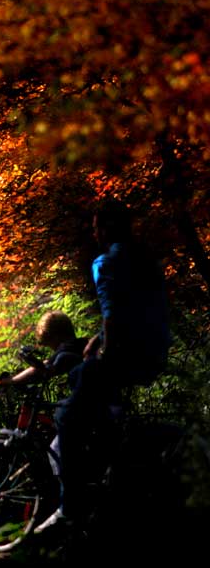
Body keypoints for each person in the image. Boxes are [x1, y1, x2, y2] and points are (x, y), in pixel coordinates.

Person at [39, 199, 171, 532]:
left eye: (97, 225)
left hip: (126, 355)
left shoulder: (106, 263)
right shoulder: (147, 261)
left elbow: (114, 315)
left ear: (109, 228)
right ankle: (114, 474)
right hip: (154, 354)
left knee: (66, 415)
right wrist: (96, 341)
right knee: (99, 406)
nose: (93, 231)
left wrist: (105, 351)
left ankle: (71, 506)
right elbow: (135, 311)